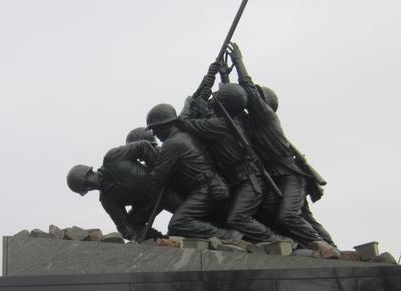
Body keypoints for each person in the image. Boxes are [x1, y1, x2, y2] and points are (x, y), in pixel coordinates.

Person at [227, 43, 339, 257]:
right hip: (278, 176)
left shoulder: (266, 118)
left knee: (288, 216)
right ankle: (331, 248)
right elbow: (234, 102)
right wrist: (225, 78)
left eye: (258, 98)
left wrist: (239, 64)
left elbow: (248, 91)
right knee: (305, 217)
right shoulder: (253, 124)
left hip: (291, 175)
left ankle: (324, 247)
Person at [177, 67, 285, 244]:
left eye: (218, 94)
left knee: (236, 218)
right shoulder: (237, 118)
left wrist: (189, 102)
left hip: (250, 182)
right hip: (245, 179)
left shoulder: (218, 126)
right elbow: (230, 100)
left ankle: (279, 241)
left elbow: (183, 123)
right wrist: (220, 77)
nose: (215, 95)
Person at [144, 103, 243, 243]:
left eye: (155, 128)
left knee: (178, 223)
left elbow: (158, 177)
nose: (154, 134)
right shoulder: (185, 136)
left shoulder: (172, 143)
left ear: (165, 124)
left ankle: (229, 236)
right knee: (177, 229)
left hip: (208, 190)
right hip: (210, 187)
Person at [66, 140, 179, 240]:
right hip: (149, 205)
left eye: (87, 183)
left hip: (163, 186)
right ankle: (160, 240)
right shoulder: (107, 200)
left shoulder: (112, 158)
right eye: (85, 189)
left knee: (184, 216)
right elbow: (124, 227)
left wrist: (158, 172)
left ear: (89, 172)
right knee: (134, 223)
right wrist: (137, 238)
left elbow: (143, 147)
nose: (89, 187)